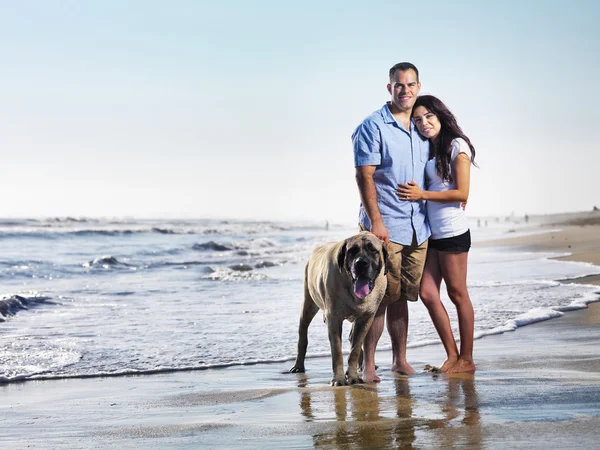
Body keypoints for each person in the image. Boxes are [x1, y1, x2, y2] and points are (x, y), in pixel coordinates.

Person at [352, 62, 430, 382]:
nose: (406, 90)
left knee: (402, 298)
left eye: (411, 85)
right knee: (378, 299)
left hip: (418, 229)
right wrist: (375, 223)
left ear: (418, 87)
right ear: (390, 88)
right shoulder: (373, 126)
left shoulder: (424, 125)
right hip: (384, 227)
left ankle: (400, 360)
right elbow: (364, 175)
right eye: (400, 85)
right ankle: (367, 365)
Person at [397, 94, 477, 373]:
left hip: (453, 232)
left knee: (457, 294)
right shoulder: (428, 149)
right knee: (428, 293)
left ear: (440, 116)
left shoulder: (457, 145)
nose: (423, 123)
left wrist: (422, 195)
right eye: (418, 119)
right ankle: (452, 355)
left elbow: (462, 192)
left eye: (429, 116)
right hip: (433, 234)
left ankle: (467, 359)